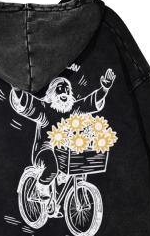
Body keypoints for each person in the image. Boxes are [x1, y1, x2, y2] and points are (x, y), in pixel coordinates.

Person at [10, 69, 116, 201]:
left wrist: (104, 89)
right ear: (52, 92)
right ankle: (40, 188)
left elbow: (89, 103)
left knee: (77, 165)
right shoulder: (44, 109)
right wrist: (17, 90)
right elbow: (29, 104)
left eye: (67, 90)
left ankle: (61, 195)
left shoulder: (73, 109)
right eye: (60, 89)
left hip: (65, 151)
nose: (64, 93)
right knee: (51, 167)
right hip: (45, 150)